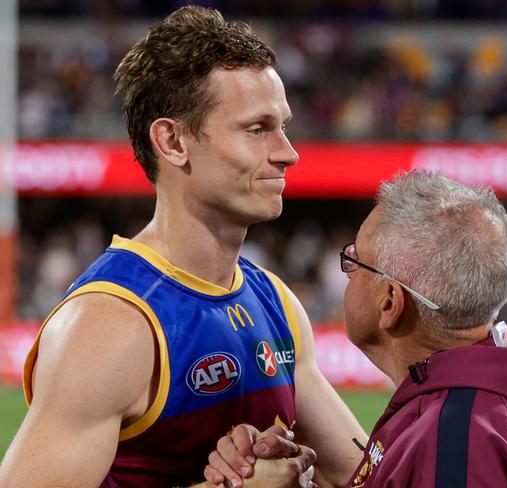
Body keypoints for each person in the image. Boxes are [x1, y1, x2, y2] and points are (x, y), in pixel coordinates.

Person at [0, 6, 365, 488]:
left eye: (283, 126)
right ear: (172, 141)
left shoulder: (276, 301)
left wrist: (299, 468)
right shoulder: (110, 325)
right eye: (256, 129)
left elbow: (364, 477)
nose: (287, 152)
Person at [204, 170, 507, 487]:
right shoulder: (492, 403)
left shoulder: (455, 440)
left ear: (390, 303)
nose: (346, 270)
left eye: (356, 260)